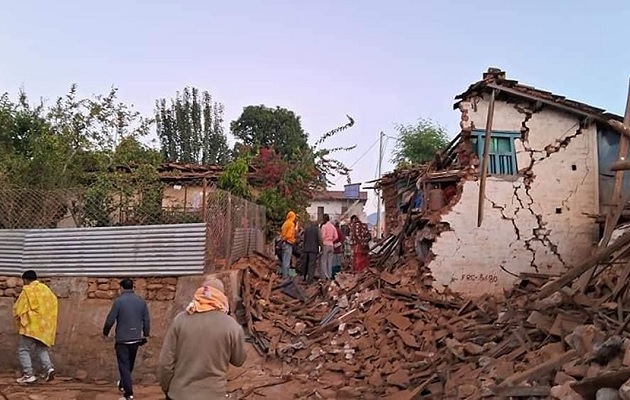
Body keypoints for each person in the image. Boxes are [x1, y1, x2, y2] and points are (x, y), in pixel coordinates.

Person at [158, 278, 247, 400]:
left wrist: (167, 388)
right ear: (221, 297)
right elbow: (239, 360)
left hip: (180, 394)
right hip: (214, 395)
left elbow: (165, 363)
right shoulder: (232, 326)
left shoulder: (180, 320)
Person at [103, 278, 151, 400]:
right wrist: (145, 334)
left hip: (122, 340)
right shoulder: (141, 302)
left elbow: (110, 320)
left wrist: (105, 332)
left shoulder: (119, 302)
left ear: (122, 288)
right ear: (133, 288)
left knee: (124, 365)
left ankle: (128, 393)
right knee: (129, 364)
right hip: (136, 339)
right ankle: (124, 383)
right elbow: (146, 319)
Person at [12, 270, 58, 384]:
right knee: (41, 348)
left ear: (26, 280)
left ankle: (28, 374)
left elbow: (19, 308)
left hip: (30, 326)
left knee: (23, 349)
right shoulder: (46, 289)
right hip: (44, 327)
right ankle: (49, 369)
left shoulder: (27, 290)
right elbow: (53, 303)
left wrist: (18, 316)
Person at [301, 218, 321, 283]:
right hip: (314, 249)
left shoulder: (307, 229)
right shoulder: (317, 230)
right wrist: (321, 247)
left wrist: (303, 247)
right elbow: (319, 239)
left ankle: (304, 277)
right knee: (311, 265)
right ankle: (309, 280)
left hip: (306, 249)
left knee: (305, 263)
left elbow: (304, 239)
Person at [319, 214, 338, 279]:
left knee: (323, 261)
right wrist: (331, 240)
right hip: (331, 245)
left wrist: (322, 242)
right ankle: (329, 276)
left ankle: (324, 276)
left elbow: (322, 236)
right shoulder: (333, 227)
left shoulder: (324, 226)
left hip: (325, 244)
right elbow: (336, 237)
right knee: (330, 261)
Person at [280, 211, 297, 278]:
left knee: (284, 260)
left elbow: (282, 233)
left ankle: (284, 275)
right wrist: (292, 239)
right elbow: (289, 234)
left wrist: (283, 239)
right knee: (287, 261)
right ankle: (285, 276)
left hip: (283, 243)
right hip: (288, 243)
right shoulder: (291, 224)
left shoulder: (285, 223)